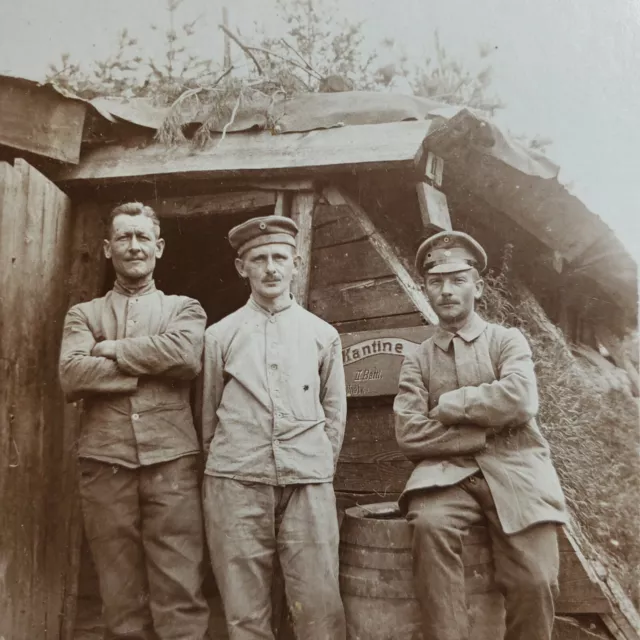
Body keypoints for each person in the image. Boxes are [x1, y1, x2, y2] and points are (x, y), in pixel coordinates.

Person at [393, 230, 567, 640]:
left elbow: (521, 400)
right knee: (429, 525)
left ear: (478, 286)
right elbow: (409, 433)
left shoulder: (506, 341)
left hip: (516, 471)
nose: (447, 291)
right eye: (436, 282)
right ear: (427, 290)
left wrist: (451, 405)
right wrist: (483, 433)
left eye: (457, 280)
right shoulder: (417, 359)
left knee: (536, 581)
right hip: (444, 475)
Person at [59, 202, 210, 640]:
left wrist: (112, 351)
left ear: (159, 247)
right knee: (119, 594)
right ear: (107, 249)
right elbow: (71, 373)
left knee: (180, 586)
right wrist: (148, 363)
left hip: (172, 462)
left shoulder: (185, 308)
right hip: (105, 461)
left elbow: (185, 355)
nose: (134, 246)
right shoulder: (83, 314)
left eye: (143, 237)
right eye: (124, 237)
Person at [199, 215, 347, 640]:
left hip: (308, 482)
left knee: (319, 605)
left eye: (279, 257)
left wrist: (316, 463)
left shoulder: (322, 335)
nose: (270, 268)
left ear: (295, 263)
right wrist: (229, 465)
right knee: (245, 610)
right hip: (236, 483)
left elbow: (334, 415)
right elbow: (207, 415)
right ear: (241, 268)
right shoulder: (219, 336)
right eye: (258, 258)